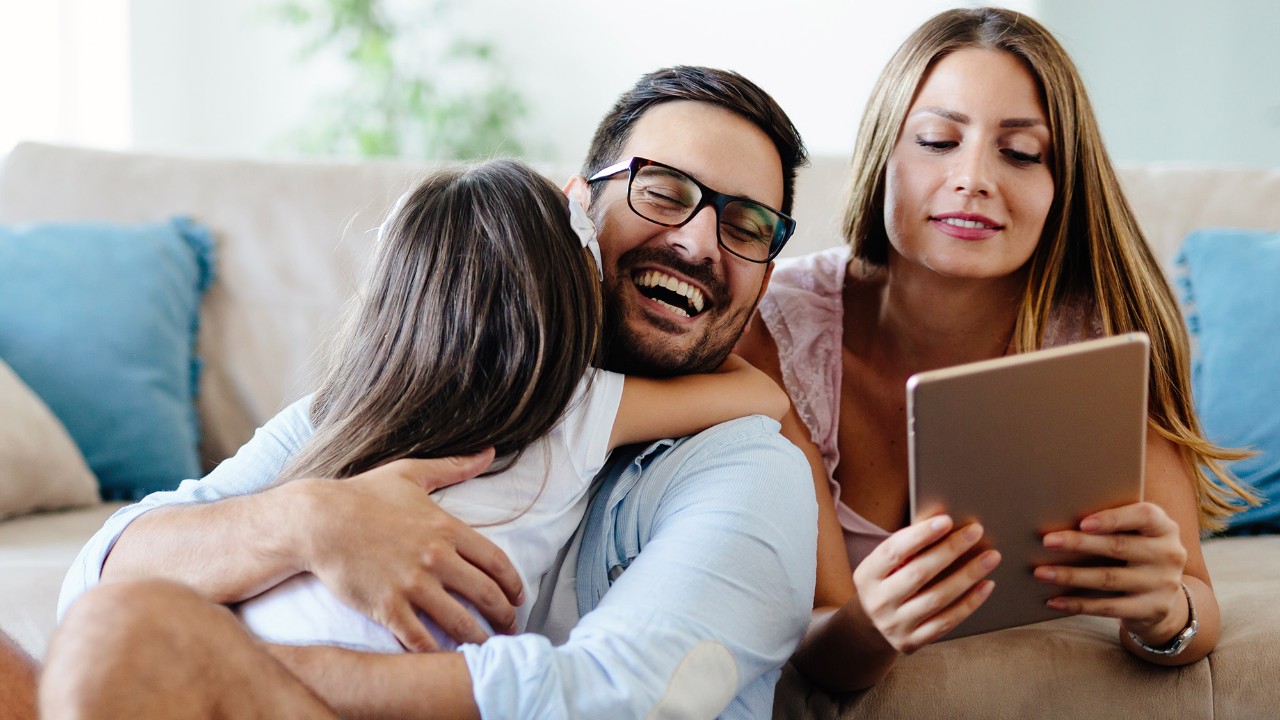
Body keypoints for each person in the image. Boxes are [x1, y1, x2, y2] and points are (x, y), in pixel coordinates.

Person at [43, 66, 818, 720]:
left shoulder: (746, 472)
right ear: (578, 203)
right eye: (665, 190)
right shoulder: (390, 406)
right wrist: (310, 520)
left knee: (130, 636)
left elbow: (628, 700)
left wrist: (215, 659)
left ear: (766, 271)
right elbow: (97, 579)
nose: (696, 242)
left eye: (748, 225)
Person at [736, 6, 1259, 693]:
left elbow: (1193, 609)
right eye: (935, 140)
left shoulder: (1103, 342)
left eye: (1019, 153)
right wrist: (870, 626)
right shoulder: (777, 329)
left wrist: (1164, 614)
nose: (973, 177)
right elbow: (821, 655)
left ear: (1061, 185)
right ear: (882, 154)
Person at [234, 157, 789, 653]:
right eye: (665, 194)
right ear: (570, 298)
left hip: (255, 639)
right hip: (385, 672)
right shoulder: (575, 408)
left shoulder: (353, 409)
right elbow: (764, 396)